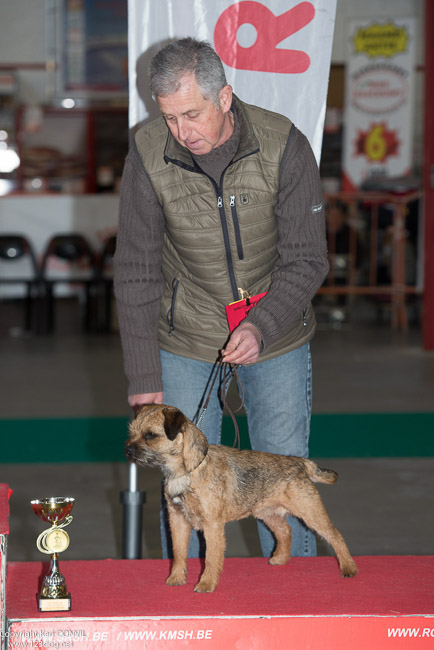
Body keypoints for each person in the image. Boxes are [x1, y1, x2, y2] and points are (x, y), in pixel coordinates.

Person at [114, 37, 329, 560]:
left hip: (274, 332)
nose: (181, 133)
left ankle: (292, 594)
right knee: (180, 476)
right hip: (185, 334)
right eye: (169, 118)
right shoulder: (146, 152)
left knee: (283, 472)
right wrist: (144, 378)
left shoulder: (284, 144)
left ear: (225, 97)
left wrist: (262, 323)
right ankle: (187, 604)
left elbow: (307, 257)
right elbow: (136, 270)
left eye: (192, 114)